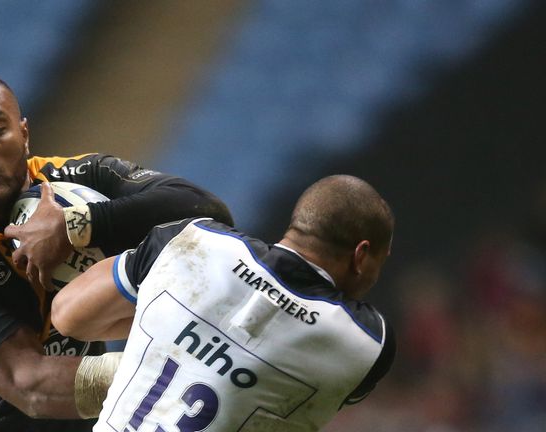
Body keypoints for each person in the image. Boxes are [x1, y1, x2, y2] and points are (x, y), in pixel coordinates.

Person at [0, 70, 233, 432]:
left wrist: (79, 225)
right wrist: (181, 372)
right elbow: (31, 387)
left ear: (24, 134)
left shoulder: (74, 179)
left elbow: (204, 208)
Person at [51, 174, 396, 431]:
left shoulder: (190, 240)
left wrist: (166, 330)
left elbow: (68, 317)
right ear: (361, 256)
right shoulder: (366, 343)